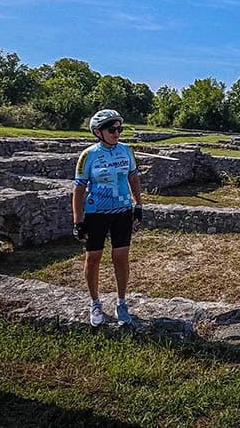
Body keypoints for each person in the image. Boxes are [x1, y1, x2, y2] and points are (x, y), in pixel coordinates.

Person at [72, 109, 144, 326]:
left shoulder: (126, 151)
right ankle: (95, 302)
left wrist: (138, 204)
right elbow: (79, 188)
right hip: (96, 213)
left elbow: (133, 176)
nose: (117, 133)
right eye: (111, 129)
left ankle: (121, 302)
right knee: (93, 258)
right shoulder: (88, 155)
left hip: (122, 211)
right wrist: (78, 221)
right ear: (98, 132)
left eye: (119, 129)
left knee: (120, 258)